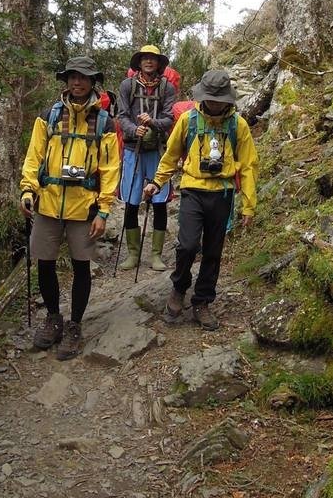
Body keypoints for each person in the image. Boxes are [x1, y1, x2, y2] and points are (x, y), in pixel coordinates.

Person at [20, 56, 120, 359]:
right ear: (66, 80)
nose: (77, 82)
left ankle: (75, 325)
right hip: (48, 202)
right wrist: (28, 189)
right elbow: (33, 155)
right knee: (45, 263)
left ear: (92, 82)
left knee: (81, 266)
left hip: (84, 205)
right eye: (72, 77)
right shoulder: (48, 116)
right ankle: (53, 317)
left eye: (83, 78)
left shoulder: (104, 122)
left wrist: (104, 210)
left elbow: (111, 168)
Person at [143, 68, 258, 331]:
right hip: (193, 190)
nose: (215, 103)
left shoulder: (237, 125)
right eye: (211, 97)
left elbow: (250, 166)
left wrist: (249, 205)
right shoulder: (188, 120)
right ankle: (179, 287)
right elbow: (171, 155)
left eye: (220, 99)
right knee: (187, 244)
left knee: (213, 251)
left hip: (223, 194)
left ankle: (202, 300)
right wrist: (157, 182)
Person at [116, 44, 177, 271]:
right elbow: (121, 115)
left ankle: (156, 255)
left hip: (158, 150)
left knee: (159, 201)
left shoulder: (167, 88)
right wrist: (133, 130)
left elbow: (169, 118)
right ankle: (133, 254)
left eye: (153, 58)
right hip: (133, 149)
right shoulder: (127, 86)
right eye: (145, 58)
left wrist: (152, 123)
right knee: (131, 201)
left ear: (159, 63)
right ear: (139, 62)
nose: (149, 62)